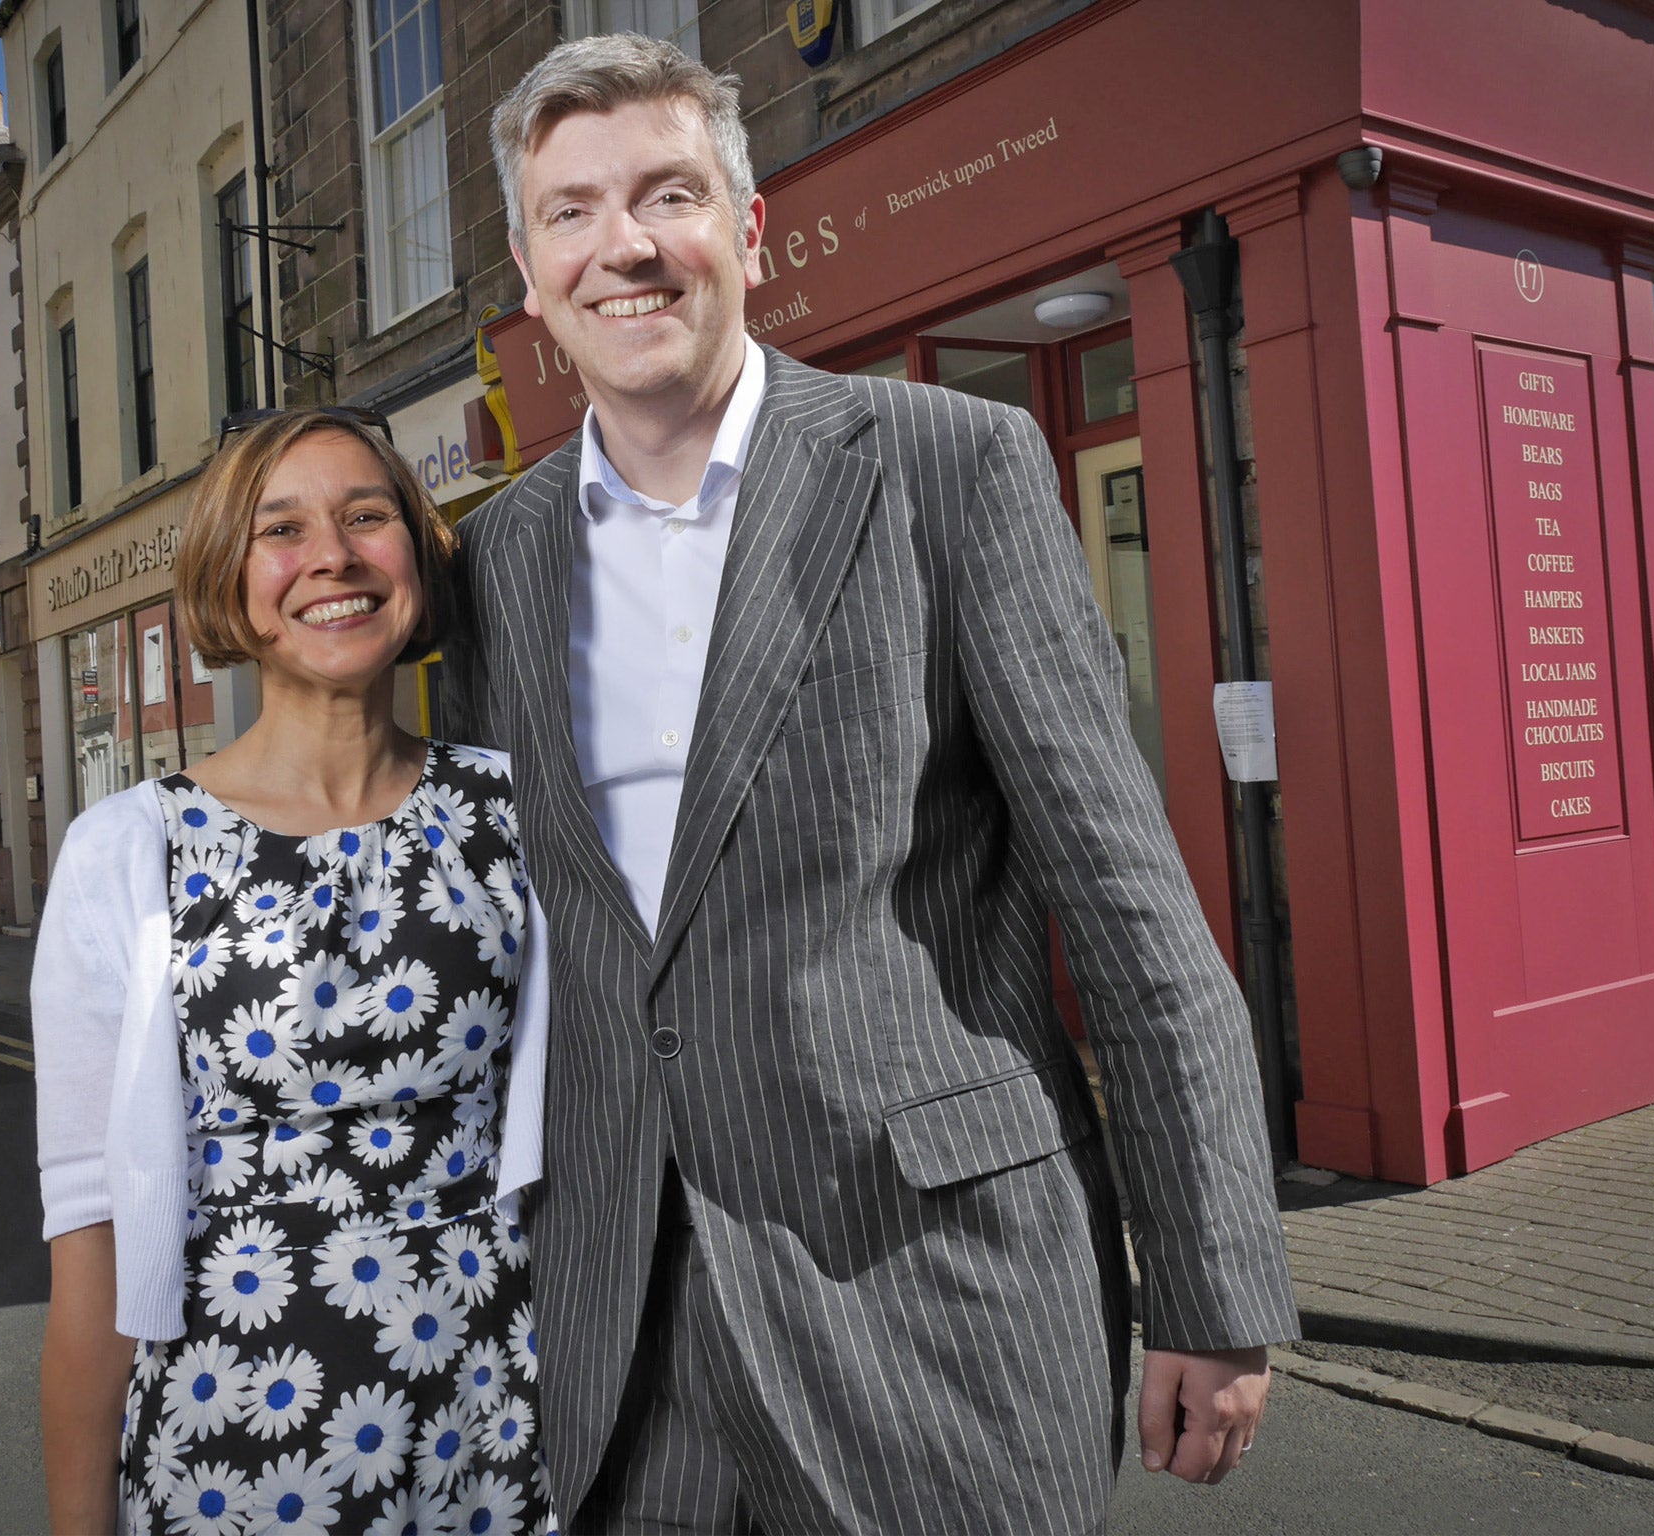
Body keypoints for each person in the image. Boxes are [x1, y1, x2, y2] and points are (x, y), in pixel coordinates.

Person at [437, 33, 1300, 1535]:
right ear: (527, 269)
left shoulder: (949, 463)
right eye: (571, 212)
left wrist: (1213, 1284)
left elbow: (1128, 906)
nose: (624, 247)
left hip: (935, 1323)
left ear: (749, 231)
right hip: (628, 1358)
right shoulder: (500, 562)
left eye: (669, 195)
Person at [32, 409, 552, 1535]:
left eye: (367, 516)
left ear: (415, 551)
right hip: (235, 1444)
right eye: (283, 528)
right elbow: (90, 1232)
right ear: (230, 574)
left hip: (500, 1419)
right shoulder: (126, 852)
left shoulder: (515, 811)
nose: (333, 556)